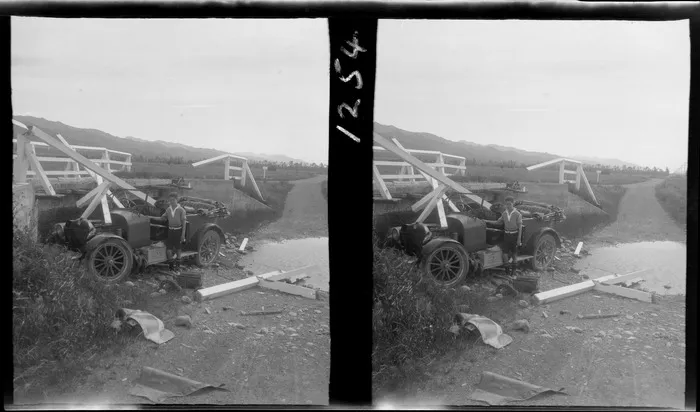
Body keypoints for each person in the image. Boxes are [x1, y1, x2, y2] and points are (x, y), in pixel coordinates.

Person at [487, 196, 523, 275]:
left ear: (513, 204)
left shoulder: (517, 214)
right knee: (505, 253)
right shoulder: (504, 213)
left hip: (514, 235)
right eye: (506, 204)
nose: (508, 206)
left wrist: (519, 239)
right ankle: (507, 271)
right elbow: (498, 222)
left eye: (509, 204)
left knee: (514, 253)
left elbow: (520, 227)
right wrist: (486, 221)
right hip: (506, 235)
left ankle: (513, 271)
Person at [162, 192, 187, 272]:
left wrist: (183, 235)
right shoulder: (168, 209)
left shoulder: (181, 210)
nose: (172, 201)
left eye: (173, 200)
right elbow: (164, 216)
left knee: (178, 249)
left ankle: (178, 266)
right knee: (168, 250)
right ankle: (171, 267)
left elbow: (184, 223)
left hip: (178, 231)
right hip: (170, 231)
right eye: (170, 200)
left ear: (177, 200)